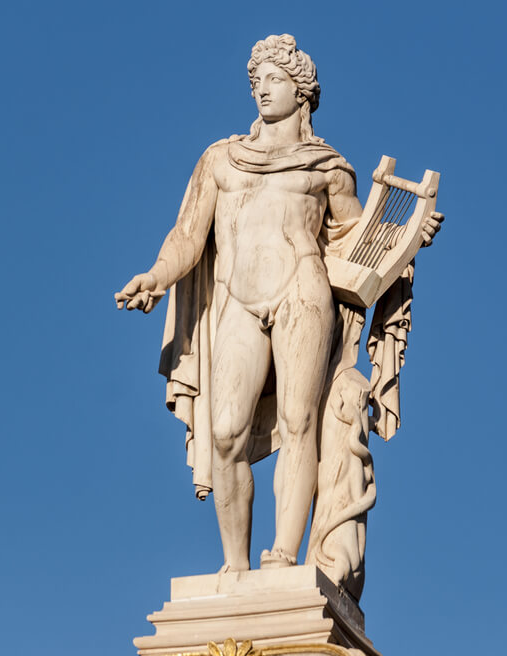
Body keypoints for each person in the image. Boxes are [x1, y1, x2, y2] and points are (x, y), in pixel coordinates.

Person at [115, 34, 440, 573]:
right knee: (224, 435)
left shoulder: (327, 166)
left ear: (302, 92)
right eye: (256, 81)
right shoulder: (221, 159)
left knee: (298, 423)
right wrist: (155, 276)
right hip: (238, 299)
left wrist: (411, 237)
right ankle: (233, 565)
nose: (262, 90)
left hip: (302, 292)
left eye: (274, 80)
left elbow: (359, 243)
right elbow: (187, 236)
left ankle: (283, 555)